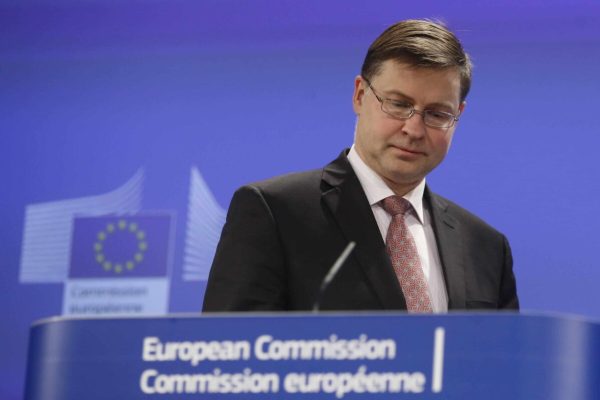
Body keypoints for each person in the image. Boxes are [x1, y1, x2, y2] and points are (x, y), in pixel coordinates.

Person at [202, 19, 519, 312]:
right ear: (359, 95)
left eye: (437, 114)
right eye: (398, 104)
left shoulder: (486, 247)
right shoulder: (274, 213)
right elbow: (230, 356)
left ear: (458, 115)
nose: (414, 129)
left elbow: (508, 364)